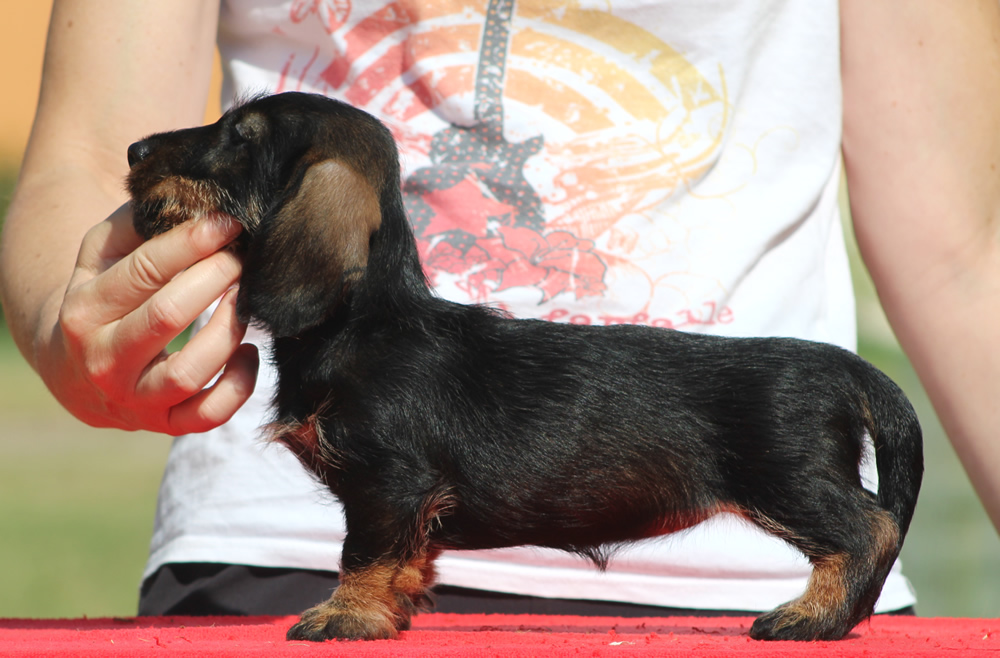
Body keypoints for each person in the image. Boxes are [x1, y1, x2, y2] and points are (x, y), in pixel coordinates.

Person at [1, 0, 998, 617]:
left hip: (740, 586)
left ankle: (845, 548)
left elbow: (967, 251)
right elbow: (92, 145)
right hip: (268, 562)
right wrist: (68, 315)